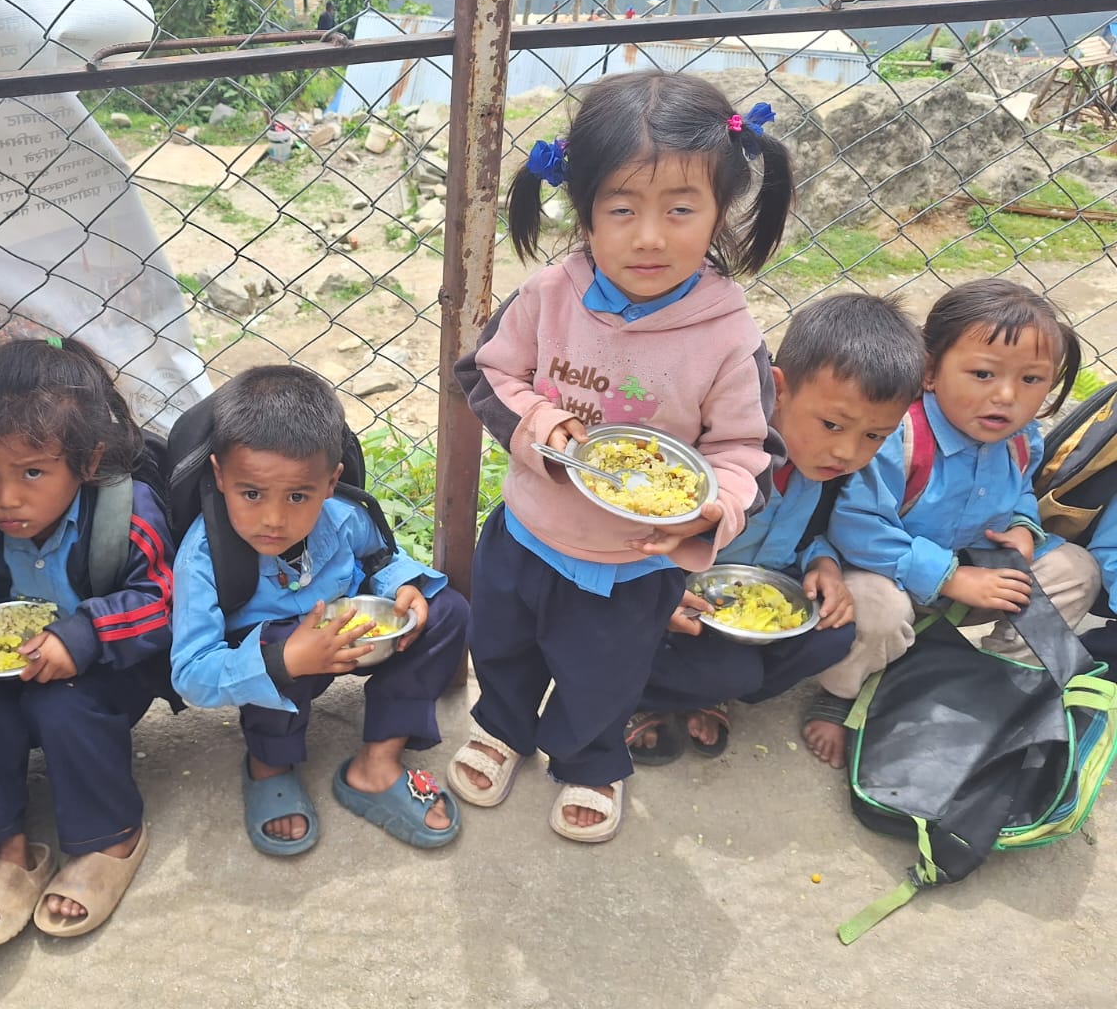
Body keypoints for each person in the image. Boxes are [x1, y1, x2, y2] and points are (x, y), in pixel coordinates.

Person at [447, 71, 795, 843]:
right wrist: (542, 423)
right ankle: (502, 727)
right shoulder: (550, 295)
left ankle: (591, 757)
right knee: (501, 645)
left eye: (681, 209)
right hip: (528, 532)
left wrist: (712, 508)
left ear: (720, 211)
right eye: (622, 209)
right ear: (585, 212)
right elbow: (488, 374)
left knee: (604, 675)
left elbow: (744, 450)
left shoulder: (728, 336)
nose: (650, 237)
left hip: (633, 563)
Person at [0, 337, 174, 947]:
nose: (5, 497)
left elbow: (160, 603)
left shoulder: (126, 515)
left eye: (32, 472)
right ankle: (7, 849)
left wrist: (84, 635)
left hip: (111, 667)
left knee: (63, 704)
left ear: (87, 461)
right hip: (11, 669)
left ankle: (112, 835)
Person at [169, 365, 470, 855]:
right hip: (276, 660)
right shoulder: (203, 558)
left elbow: (382, 559)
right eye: (251, 494)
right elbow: (190, 672)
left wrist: (405, 586)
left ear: (330, 482)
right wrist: (283, 660)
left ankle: (377, 761)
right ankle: (270, 763)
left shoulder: (345, 515)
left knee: (447, 611)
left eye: (297, 496)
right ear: (220, 476)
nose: (273, 519)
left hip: (351, 634)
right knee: (274, 643)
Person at [806, 279, 1103, 768]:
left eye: (1031, 379)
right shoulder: (900, 437)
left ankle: (994, 679)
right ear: (929, 371)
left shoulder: (1022, 438)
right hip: (890, 576)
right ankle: (840, 695)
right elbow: (857, 526)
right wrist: (950, 577)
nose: (1006, 396)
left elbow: (1022, 490)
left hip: (981, 577)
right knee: (873, 610)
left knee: (1076, 571)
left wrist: (1024, 526)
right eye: (982, 373)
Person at [624, 294, 925, 763]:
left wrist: (823, 563)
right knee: (732, 671)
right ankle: (639, 695)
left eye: (874, 436)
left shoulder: (830, 469)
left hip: (747, 600)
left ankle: (702, 692)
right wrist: (657, 596)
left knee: (834, 634)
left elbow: (812, 532)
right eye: (832, 424)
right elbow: (646, 536)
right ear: (778, 389)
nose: (847, 452)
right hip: (673, 601)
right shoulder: (720, 452)